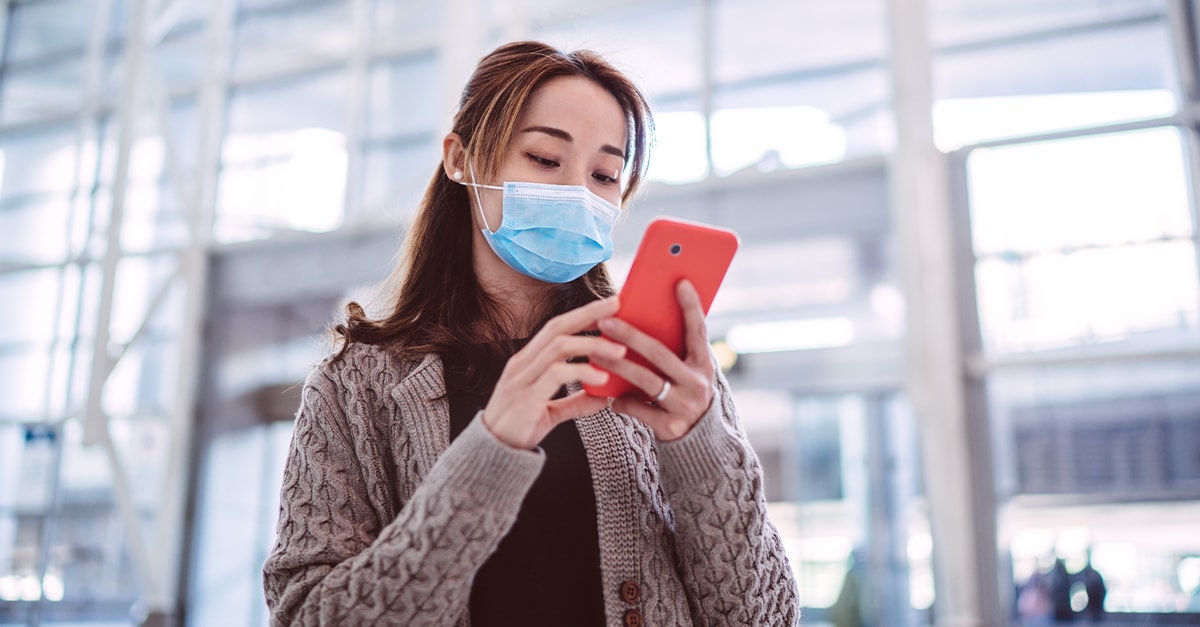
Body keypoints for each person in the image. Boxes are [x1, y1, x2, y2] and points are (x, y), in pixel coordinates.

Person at [261, 40, 800, 626]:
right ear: (460, 159)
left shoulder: (661, 364)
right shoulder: (354, 384)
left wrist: (704, 453)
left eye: (605, 173)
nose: (577, 193)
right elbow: (304, 617)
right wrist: (488, 453)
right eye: (545, 159)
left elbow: (761, 619)